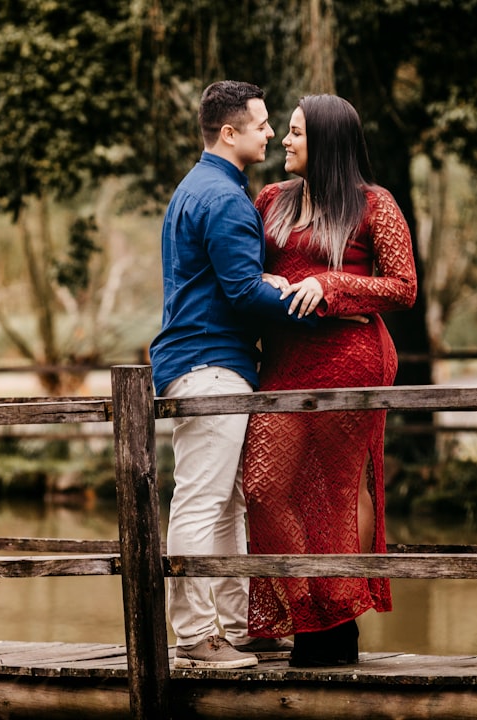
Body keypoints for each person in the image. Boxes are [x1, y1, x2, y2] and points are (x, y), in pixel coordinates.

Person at [148, 80, 325, 670]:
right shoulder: (223, 198)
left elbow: (228, 283)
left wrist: (265, 285)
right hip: (209, 366)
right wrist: (318, 301)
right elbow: (243, 294)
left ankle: (237, 623)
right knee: (202, 501)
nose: (271, 133)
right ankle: (197, 635)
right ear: (231, 133)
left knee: (227, 503)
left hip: (207, 363)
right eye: (261, 124)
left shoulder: (197, 188)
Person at [241, 94, 418, 667]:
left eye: (295, 133)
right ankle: (309, 610)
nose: (285, 142)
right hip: (286, 358)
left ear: (327, 142)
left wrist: (335, 283)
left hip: (351, 356)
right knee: (265, 487)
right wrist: (263, 276)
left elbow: (404, 286)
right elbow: (247, 270)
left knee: (339, 490)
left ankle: (334, 627)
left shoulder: (373, 204)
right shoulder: (271, 200)